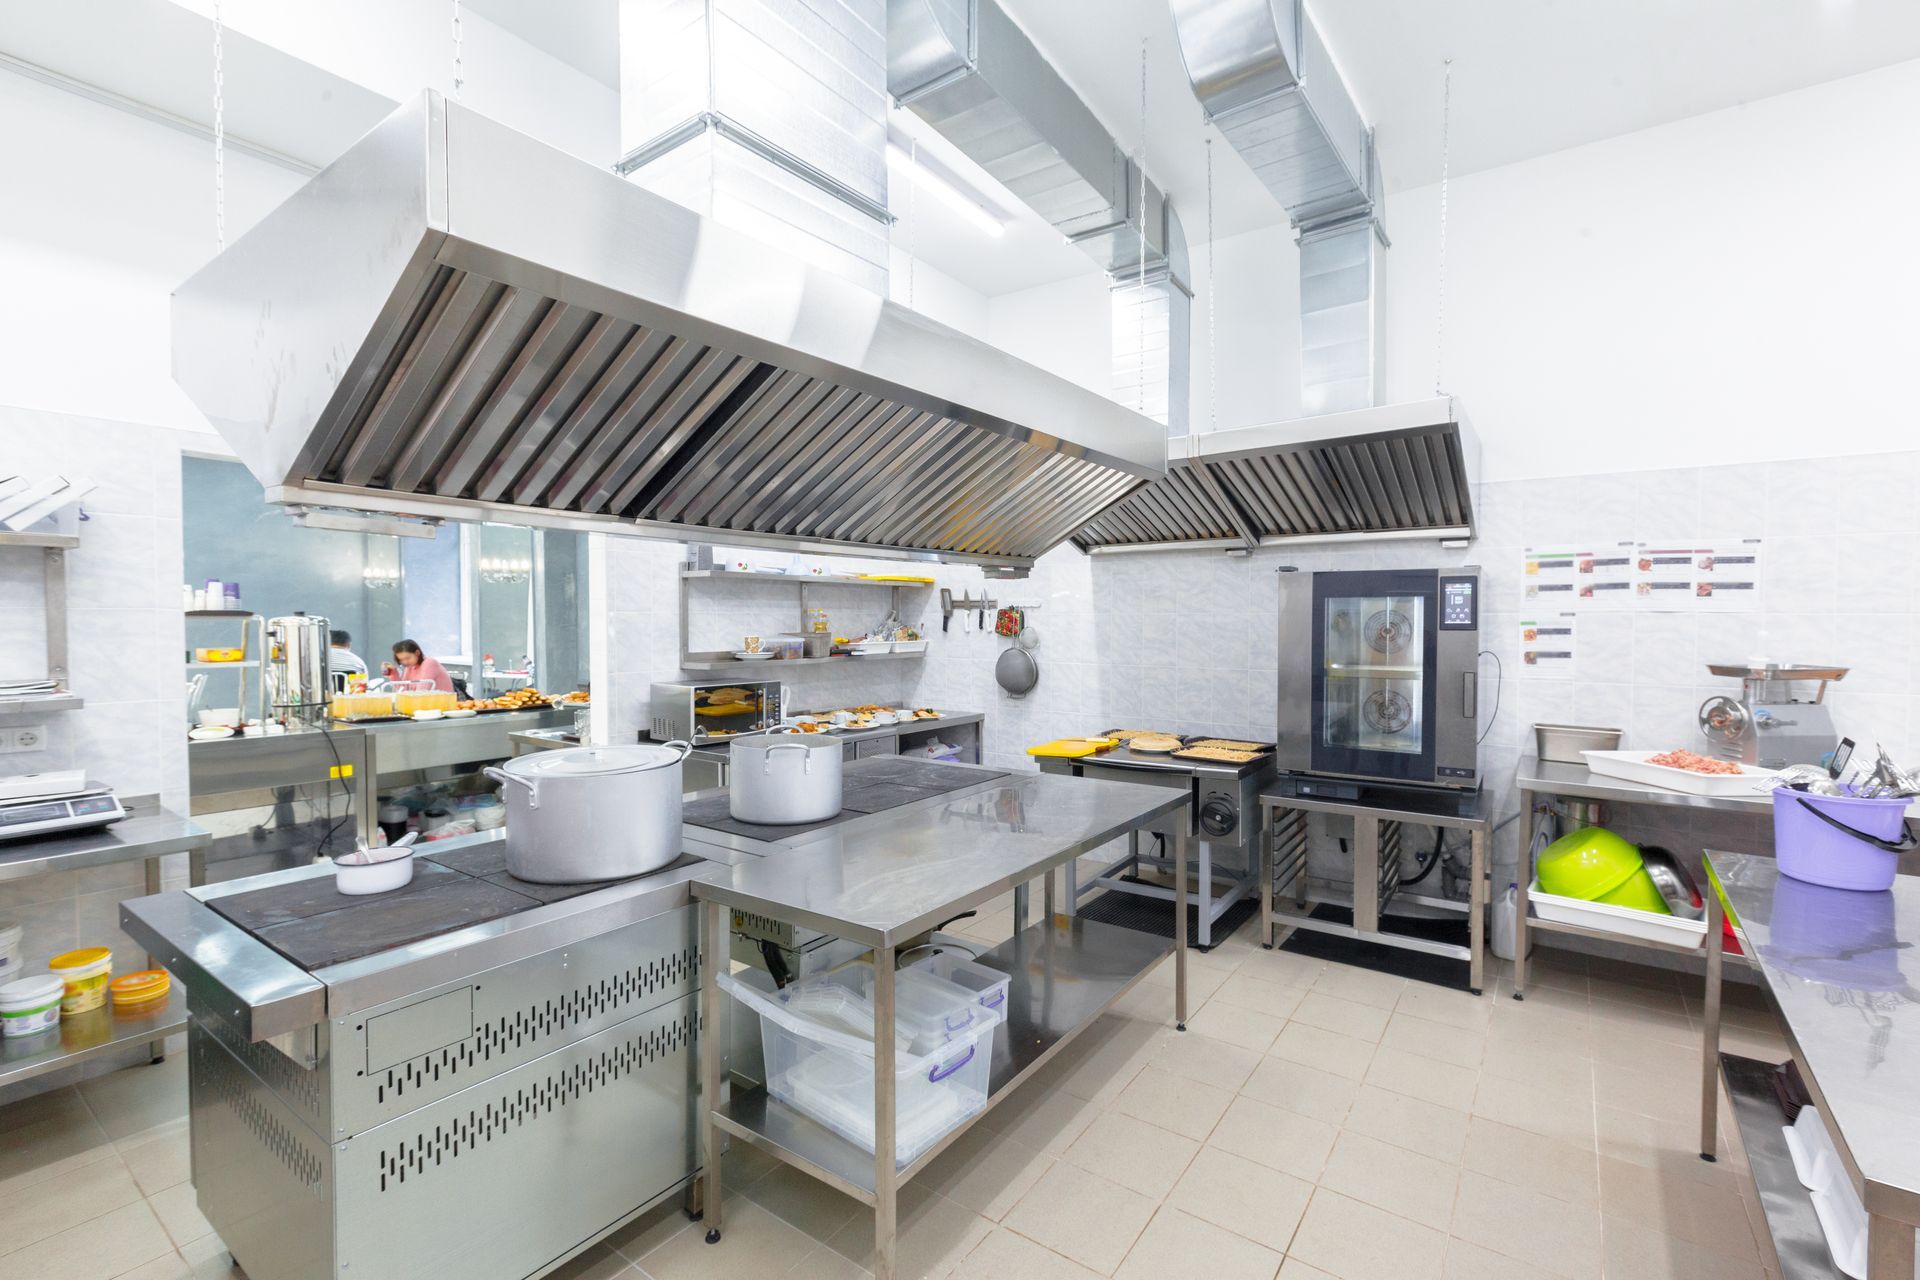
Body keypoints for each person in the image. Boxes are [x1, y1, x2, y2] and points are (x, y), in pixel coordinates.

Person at [384, 639, 456, 693]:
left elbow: (421, 693)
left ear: (417, 653)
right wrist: (394, 674)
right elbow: (404, 690)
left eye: (408, 658)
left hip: (440, 705)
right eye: (401, 660)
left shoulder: (429, 663)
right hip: (423, 704)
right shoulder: (410, 667)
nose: (405, 662)